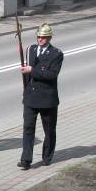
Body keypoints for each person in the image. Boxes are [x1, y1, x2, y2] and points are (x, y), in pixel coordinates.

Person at [18, 23, 64, 170]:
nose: (40, 40)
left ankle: (47, 156)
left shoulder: (56, 54)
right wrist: (24, 90)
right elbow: (26, 72)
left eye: (43, 37)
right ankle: (26, 159)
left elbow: (51, 75)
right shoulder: (30, 49)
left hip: (47, 97)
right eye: (38, 37)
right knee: (28, 128)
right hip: (31, 96)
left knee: (49, 129)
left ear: (49, 38)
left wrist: (33, 70)